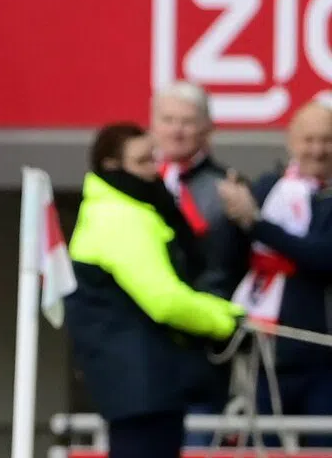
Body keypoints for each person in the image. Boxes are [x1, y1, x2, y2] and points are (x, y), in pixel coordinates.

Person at [65, 122, 243, 458]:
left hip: (141, 382)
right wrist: (226, 322)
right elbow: (164, 299)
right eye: (142, 161)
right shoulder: (120, 216)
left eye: (153, 158)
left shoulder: (120, 210)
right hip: (141, 384)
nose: (154, 169)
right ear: (112, 166)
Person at [218, 102, 332, 447]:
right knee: (262, 448)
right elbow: (232, 259)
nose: (317, 150)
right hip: (266, 352)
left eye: (327, 140)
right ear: (291, 142)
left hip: (323, 359)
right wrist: (233, 217)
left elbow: (322, 257)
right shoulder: (269, 187)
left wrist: (256, 224)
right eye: (308, 140)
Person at [150, 82, 249, 445]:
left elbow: (233, 268)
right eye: (168, 120)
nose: (177, 130)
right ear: (153, 125)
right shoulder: (133, 185)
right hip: (145, 348)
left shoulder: (228, 189)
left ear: (208, 128)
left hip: (203, 352)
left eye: (187, 122)